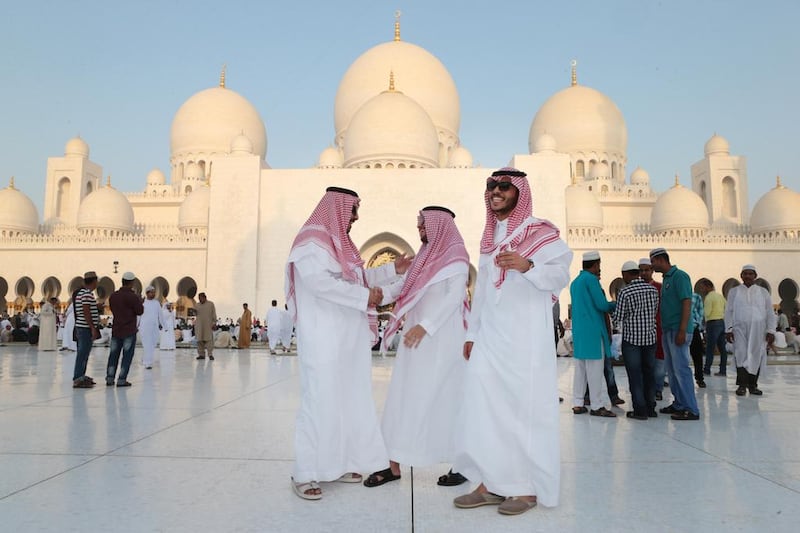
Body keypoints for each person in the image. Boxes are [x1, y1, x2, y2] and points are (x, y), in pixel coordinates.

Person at [452, 167, 572, 516]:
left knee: (524, 409)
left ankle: (526, 488)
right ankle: (491, 483)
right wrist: (472, 334)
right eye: (492, 185)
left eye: (505, 186)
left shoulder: (540, 232)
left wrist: (527, 264)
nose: (497, 190)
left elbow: (560, 273)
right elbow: (484, 293)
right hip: (490, 337)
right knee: (486, 407)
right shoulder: (490, 238)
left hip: (525, 339)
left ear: (520, 192)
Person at [285, 186, 410, 500]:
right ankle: (306, 472)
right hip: (324, 336)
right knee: (320, 400)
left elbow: (358, 279)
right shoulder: (311, 243)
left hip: (346, 337)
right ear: (337, 209)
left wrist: (394, 270)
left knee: (345, 399)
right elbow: (320, 283)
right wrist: (364, 296)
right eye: (352, 210)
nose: (355, 217)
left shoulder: (338, 246)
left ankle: (337, 464)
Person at [364, 206, 470, 489]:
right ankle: (392, 463)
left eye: (423, 224)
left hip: (443, 340)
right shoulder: (423, 258)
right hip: (416, 341)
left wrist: (426, 325)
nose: (420, 229)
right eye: (419, 224)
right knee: (403, 396)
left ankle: (461, 463)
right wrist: (375, 295)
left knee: (447, 399)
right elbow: (402, 287)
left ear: (438, 225)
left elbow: (455, 297)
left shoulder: (456, 257)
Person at [650, 248, 700, 421]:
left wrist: (682, 330)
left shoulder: (680, 276)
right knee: (672, 371)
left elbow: (687, 303)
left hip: (678, 331)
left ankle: (691, 409)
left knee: (681, 369)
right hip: (668, 330)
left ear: (661, 260)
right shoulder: (667, 279)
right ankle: (679, 403)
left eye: (653, 261)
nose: (651, 265)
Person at [570, 251, 617, 418]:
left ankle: (577, 403)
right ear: (596, 264)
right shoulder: (591, 280)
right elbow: (601, 305)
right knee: (595, 371)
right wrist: (614, 303)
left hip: (580, 333)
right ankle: (597, 406)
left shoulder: (575, 283)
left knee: (580, 371)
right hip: (593, 333)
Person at [613, 261, 660, 420]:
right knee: (649, 374)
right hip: (650, 338)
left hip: (632, 340)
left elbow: (617, 318)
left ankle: (640, 410)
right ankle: (650, 407)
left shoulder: (625, 292)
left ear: (626, 274)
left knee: (635, 376)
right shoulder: (653, 290)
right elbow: (654, 311)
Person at [725, 265, 777, 396]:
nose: (747, 276)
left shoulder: (763, 292)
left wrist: (771, 330)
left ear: (755, 276)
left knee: (756, 355)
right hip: (739, 329)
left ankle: (753, 385)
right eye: (745, 274)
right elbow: (728, 311)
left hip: (759, 331)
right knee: (740, 353)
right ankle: (742, 385)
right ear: (741, 276)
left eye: (750, 274)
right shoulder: (734, 292)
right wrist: (728, 329)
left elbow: (770, 312)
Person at [106, 272, 144, 386]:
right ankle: (121, 379)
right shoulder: (133, 297)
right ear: (131, 283)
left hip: (116, 329)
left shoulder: (113, 296)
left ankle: (110, 378)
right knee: (126, 356)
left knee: (113, 355)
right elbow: (140, 311)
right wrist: (140, 302)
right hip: (129, 330)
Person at [639, 257, 666, 400]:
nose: (644, 273)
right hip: (641, 333)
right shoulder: (635, 288)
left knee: (660, 364)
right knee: (644, 364)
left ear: (652, 271)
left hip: (659, 331)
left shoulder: (660, 288)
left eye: (646, 270)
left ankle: (658, 389)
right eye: (641, 270)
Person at [73, 271, 101, 388]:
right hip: (85, 328)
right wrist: (92, 327)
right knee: (82, 353)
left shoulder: (82, 293)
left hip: (83, 326)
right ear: (94, 281)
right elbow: (86, 312)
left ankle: (81, 376)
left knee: (84, 353)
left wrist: (95, 307)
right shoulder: (86, 294)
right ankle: (78, 378)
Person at [699, 278, 728, 376]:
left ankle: (707, 369)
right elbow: (726, 308)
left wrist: (703, 325)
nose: (702, 290)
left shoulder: (709, 298)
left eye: (703, 288)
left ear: (708, 287)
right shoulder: (720, 296)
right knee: (722, 349)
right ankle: (723, 370)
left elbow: (706, 313)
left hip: (712, 323)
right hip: (721, 322)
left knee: (710, 348)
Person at [140, 286, 162, 369]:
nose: (153, 294)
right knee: (146, 344)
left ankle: (146, 359)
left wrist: (164, 325)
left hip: (154, 327)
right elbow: (139, 315)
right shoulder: (143, 303)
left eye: (154, 292)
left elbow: (161, 315)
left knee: (152, 344)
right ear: (147, 293)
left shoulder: (156, 303)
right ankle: (147, 363)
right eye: (151, 292)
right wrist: (136, 325)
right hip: (144, 327)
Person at [689, 287, 707, 388]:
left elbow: (700, 311)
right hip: (678, 328)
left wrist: (698, 325)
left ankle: (699, 378)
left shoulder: (696, 296)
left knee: (697, 355)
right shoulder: (675, 295)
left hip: (693, 328)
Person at [194, 292, 217, 360]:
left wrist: (214, 323)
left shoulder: (210, 304)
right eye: (199, 298)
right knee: (199, 340)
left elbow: (214, 314)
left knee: (209, 340)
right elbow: (195, 314)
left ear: (205, 297)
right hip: (199, 325)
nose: (200, 300)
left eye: (201, 298)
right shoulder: (197, 305)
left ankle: (210, 354)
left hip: (208, 325)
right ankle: (201, 354)